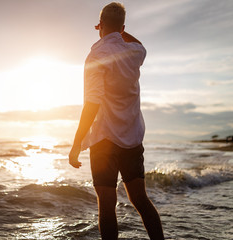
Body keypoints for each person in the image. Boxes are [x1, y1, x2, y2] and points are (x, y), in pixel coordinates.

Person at [68, 2, 164, 240]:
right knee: (140, 200)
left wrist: (77, 143)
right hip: (132, 138)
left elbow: (92, 104)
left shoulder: (96, 56)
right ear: (123, 27)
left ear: (99, 25)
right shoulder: (134, 52)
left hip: (104, 140)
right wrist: (120, 32)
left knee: (107, 204)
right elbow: (140, 45)